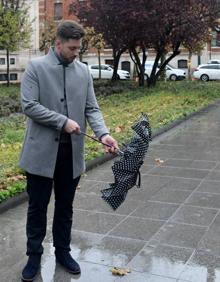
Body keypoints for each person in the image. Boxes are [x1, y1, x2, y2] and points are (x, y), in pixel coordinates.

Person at [19, 20, 118, 282]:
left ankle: (63, 251)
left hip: (71, 155)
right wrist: (62, 121)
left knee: (65, 207)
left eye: (79, 48)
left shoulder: (84, 71)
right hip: (40, 153)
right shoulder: (36, 68)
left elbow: (91, 108)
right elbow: (29, 105)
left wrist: (104, 134)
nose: (77, 53)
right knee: (37, 207)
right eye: (72, 48)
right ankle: (33, 256)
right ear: (58, 44)